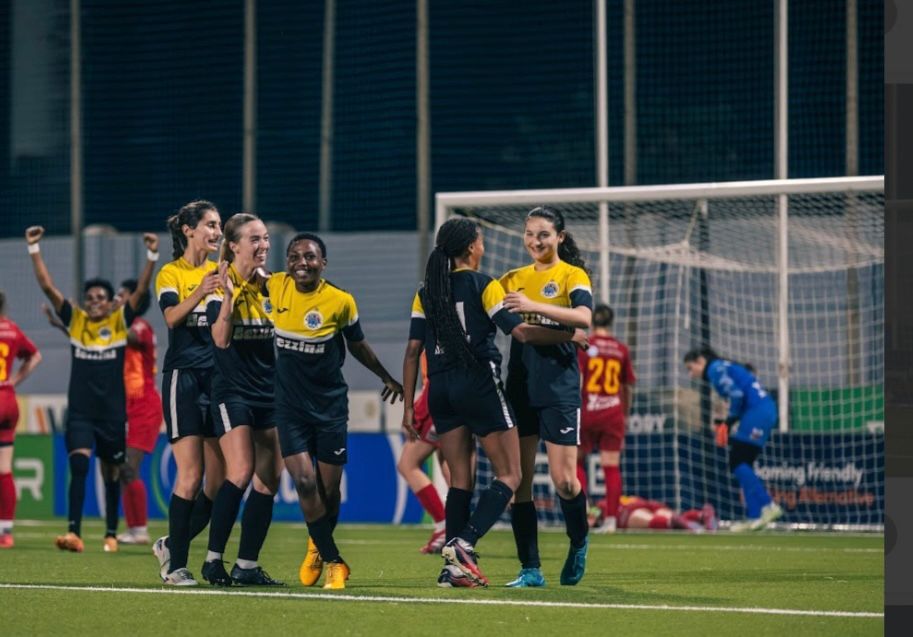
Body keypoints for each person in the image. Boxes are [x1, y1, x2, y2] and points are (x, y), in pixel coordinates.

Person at [403, 217, 582, 588]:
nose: (483, 247)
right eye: (481, 241)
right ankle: (464, 543)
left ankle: (451, 569)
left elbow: (412, 351)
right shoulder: (484, 284)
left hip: (440, 391)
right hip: (478, 385)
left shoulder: (426, 291)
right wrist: (569, 335)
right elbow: (521, 332)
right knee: (512, 475)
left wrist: (407, 407)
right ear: (472, 247)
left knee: (459, 481)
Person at [270, 232, 403, 590]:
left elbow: (357, 345)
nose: (302, 262)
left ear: (323, 263)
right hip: (289, 407)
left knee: (329, 491)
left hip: (329, 407)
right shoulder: (274, 287)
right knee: (304, 481)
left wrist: (386, 376)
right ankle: (333, 561)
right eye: (294, 256)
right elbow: (240, 269)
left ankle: (317, 545)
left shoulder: (340, 301)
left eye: (310, 256)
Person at [25, 225, 158, 553]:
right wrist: (34, 248)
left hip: (112, 415)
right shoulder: (76, 322)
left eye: (101, 298)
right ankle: (74, 533)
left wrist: (152, 255)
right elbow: (48, 287)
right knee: (80, 465)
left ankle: (111, 533)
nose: (95, 301)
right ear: (84, 303)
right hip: (81, 414)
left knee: (112, 473)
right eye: (90, 298)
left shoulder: (120, 322)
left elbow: (142, 291)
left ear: (110, 303)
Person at [498, 206, 594, 587]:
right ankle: (530, 569)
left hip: (559, 386)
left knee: (564, 480)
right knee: (517, 481)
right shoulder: (511, 279)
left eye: (543, 235)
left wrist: (532, 306)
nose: (535, 242)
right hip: (520, 386)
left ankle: (579, 541)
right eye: (529, 234)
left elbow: (584, 317)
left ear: (559, 237)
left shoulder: (571, 275)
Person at [200, 213, 283, 587]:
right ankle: (213, 560)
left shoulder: (273, 286)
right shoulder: (219, 284)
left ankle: (247, 565)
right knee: (240, 471)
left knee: (270, 479)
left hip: (269, 394)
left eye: (265, 238)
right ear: (233, 246)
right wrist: (231, 299)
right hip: (232, 393)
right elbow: (220, 340)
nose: (264, 245)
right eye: (255, 239)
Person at [153, 200, 227, 585]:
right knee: (191, 474)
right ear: (188, 230)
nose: (217, 232)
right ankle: (176, 566)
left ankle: (170, 543)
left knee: (220, 480)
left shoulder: (221, 273)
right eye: (211, 225)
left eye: (219, 225)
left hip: (218, 379)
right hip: (184, 378)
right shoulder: (171, 273)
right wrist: (201, 289)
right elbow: (171, 318)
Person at [683, 346, 784, 531]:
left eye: (690, 368)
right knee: (744, 463)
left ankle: (768, 505)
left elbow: (737, 394)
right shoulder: (723, 365)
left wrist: (729, 421)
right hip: (763, 411)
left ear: (700, 361)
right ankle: (755, 516)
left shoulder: (714, 369)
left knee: (737, 461)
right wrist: (729, 420)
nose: (691, 374)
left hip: (757, 413)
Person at [576, 304, 636, 533]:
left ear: (592, 321)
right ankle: (611, 520)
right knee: (611, 466)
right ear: (611, 322)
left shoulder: (585, 345)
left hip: (588, 411)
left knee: (576, 462)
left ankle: (582, 514)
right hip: (613, 413)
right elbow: (628, 385)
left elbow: (578, 379)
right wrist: (625, 414)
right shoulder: (621, 349)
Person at [113, 279, 164, 546]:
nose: (116, 299)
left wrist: (109, 320)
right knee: (124, 469)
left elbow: (130, 338)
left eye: (121, 296)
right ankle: (134, 529)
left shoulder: (139, 327)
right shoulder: (120, 327)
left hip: (144, 406)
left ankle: (140, 529)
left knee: (130, 467)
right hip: (127, 407)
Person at [396, 352, 452, 555]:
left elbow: (434, 378)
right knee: (449, 464)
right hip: (458, 398)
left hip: (438, 400)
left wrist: (415, 414)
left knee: (407, 464)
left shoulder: (428, 334)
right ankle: (457, 529)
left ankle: (444, 525)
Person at [0, 291, 43, 548]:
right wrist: (13, 381)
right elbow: (36, 356)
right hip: (7, 398)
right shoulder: (12, 329)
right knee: (4, 468)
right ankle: (5, 531)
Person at [615, 495, 717, 532]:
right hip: (640, 501)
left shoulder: (606, 503)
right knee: (674, 517)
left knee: (647, 519)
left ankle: (673, 522)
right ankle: (700, 516)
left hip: (624, 510)